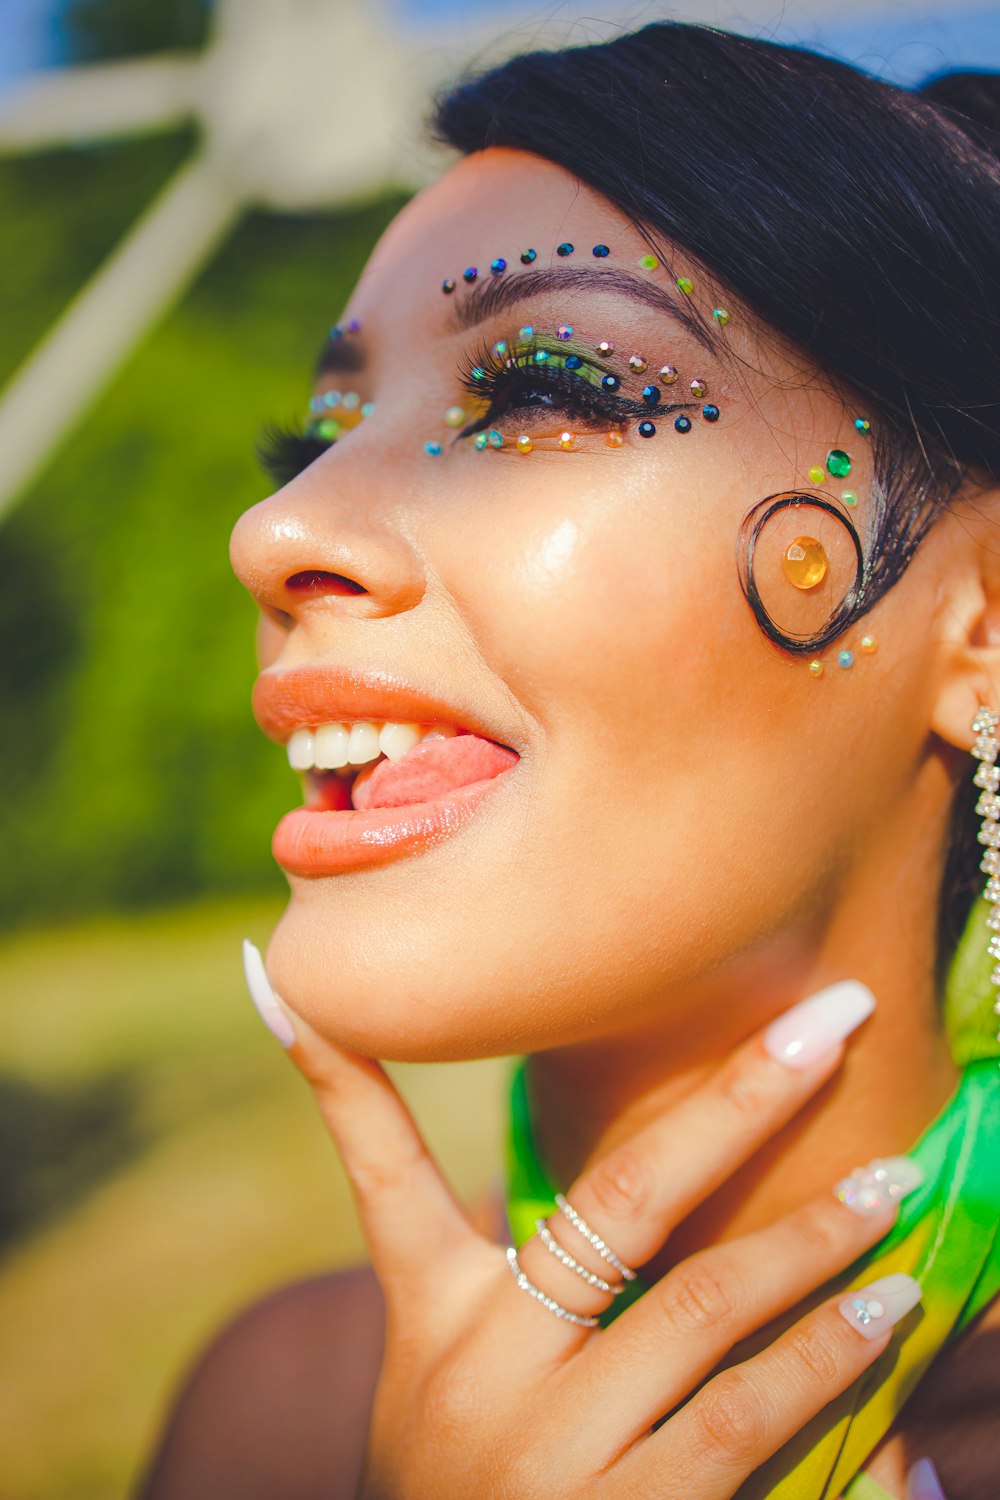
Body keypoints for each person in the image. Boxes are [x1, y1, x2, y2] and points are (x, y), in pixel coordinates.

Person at [135, 22, 1000, 1500]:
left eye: (543, 393)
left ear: (980, 626)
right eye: (317, 440)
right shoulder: (273, 1425)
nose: (273, 534)